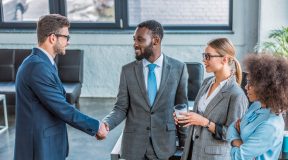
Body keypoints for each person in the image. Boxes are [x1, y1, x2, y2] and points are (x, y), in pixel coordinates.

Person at [14, 14, 108, 160]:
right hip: (40, 150)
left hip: (48, 145)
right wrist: (96, 126)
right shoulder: (37, 67)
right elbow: (62, 108)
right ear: (52, 38)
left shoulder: (43, 63)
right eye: (66, 37)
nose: (68, 42)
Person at [101, 20, 188, 160]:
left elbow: (181, 109)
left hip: (164, 145)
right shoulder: (127, 71)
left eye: (140, 39)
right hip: (134, 146)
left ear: (156, 40)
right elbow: (121, 108)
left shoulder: (179, 68)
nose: (135, 43)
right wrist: (106, 124)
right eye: (134, 39)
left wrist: (185, 143)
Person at [176, 38, 248, 160]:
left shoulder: (236, 95)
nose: (204, 60)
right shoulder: (206, 83)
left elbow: (233, 135)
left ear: (224, 59)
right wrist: (187, 118)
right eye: (204, 56)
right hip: (192, 151)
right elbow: (199, 116)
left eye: (208, 56)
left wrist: (204, 122)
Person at [227, 54, 288, 160]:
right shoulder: (257, 105)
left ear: (266, 88)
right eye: (248, 82)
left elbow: (238, 156)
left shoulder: (270, 125)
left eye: (251, 84)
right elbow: (232, 126)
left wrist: (236, 140)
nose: (246, 87)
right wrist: (240, 143)